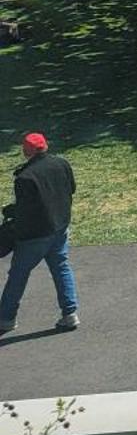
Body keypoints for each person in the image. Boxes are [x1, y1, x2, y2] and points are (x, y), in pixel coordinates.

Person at [0, 133, 78, 336]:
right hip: (59, 227)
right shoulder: (62, 164)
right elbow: (71, 189)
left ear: (29, 151)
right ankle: (70, 314)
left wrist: (10, 213)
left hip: (34, 236)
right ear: (45, 146)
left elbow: (25, 212)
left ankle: (6, 319)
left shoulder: (25, 177)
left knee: (18, 275)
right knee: (61, 267)